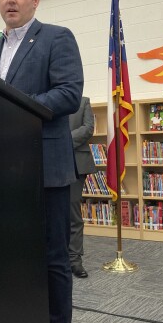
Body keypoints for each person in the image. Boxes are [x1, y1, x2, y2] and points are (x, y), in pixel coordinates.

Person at [0, 0, 83, 323]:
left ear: (35, 0)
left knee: (53, 258)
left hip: (45, 167)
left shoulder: (57, 38)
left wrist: (16, 108)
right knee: (12, 255)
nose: (11, 0)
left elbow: (69, 94)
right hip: (2, 172)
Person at [68, 96, 95, 278]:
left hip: (76, 162)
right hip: (49, 161)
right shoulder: (46, 97)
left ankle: (74, 260)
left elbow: (88, 129)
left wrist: (62, 140)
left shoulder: (83, 101)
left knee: (72, 211)